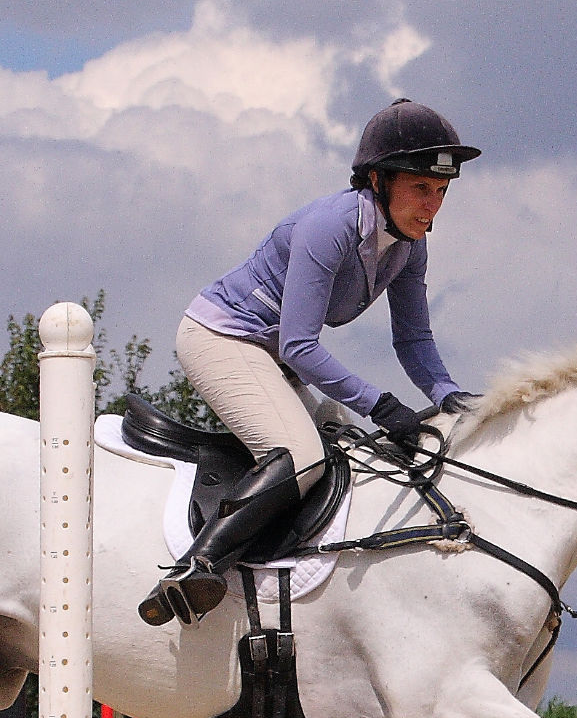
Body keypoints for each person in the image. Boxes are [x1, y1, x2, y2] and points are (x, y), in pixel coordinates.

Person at [138, 98, 482, 627]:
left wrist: (448, 395)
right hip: (221, 339)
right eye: (420, 188)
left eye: (440, 192)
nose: (431, 205)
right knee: (302, 455)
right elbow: (300, 345)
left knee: (355, 448)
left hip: (273, 353)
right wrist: (381, 404)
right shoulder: (331, 226)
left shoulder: (410, 246)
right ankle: (196, 568)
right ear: (378, 180)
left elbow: (413, 337)